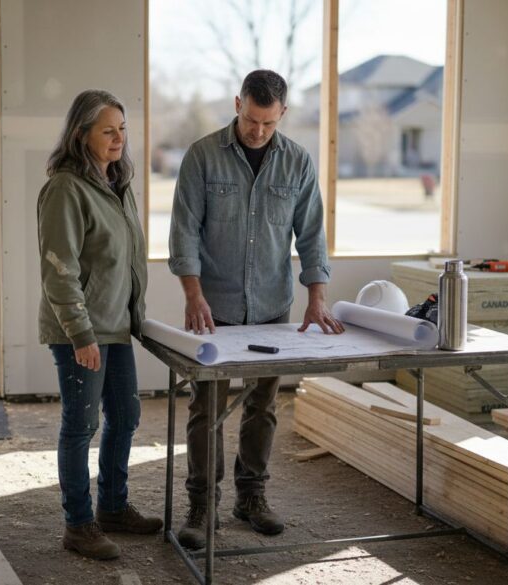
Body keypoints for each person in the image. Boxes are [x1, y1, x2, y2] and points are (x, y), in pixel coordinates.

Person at [168, 70, 345, 550]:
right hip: (214, 308)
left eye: (268, 123)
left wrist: (316, 298)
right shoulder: (203, 156)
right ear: (237, 104)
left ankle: (251, 498)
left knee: (263, 406)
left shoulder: (299, 163)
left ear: (282, 113)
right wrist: (192, 294)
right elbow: (183, 231)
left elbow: (312, 238)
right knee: (207, 408)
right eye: (251, 120)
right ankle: (203, 506)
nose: (258, 131)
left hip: (271, 306)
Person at [38, 89, 162, 561]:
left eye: (122, 129)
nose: (118, 139)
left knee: (126, 418)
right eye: (107, 130)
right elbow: (59, 269)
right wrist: (80, 334)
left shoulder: (117, 183)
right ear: (80, 134)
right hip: (82, 331)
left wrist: (135, 318)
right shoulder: (66, 189)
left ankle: (112, 507)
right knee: (80, 426)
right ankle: (79, 524)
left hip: (116, 327)